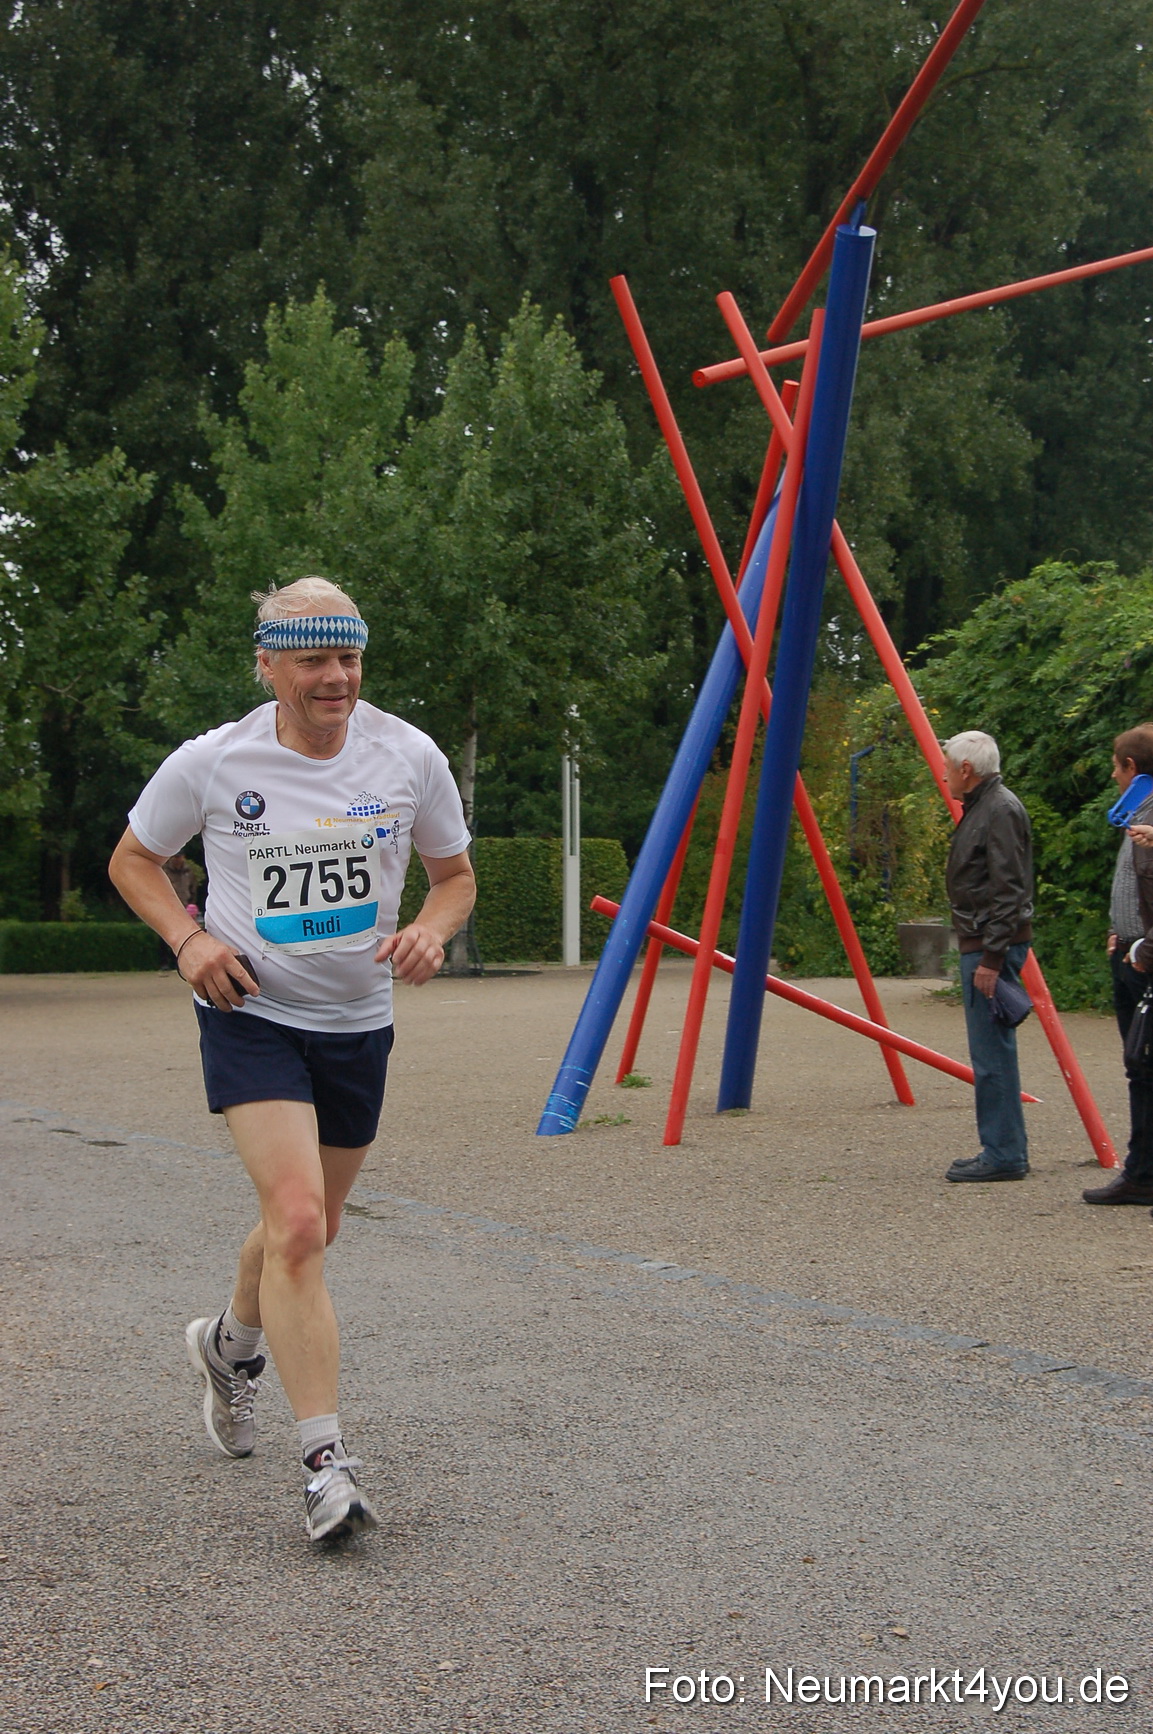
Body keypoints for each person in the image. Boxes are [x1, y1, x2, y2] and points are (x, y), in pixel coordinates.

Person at [109, 576, 475, 1542]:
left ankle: (229, 1346)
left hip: (357, 1022)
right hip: (251, 1013)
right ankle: (326, 1468)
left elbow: (454, 877)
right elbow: (133, 861)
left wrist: (433, 932)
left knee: (309, 1227)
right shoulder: (214, 761)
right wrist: (189, 942)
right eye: (312, 659)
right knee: (300, 1221)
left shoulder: (408, 755)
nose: (335, 678)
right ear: (266, 664)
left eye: (347, 657)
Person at [942, 731, 1033, 1183]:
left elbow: (1008, 888)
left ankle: (1003, 1153)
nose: (943, 774)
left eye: (947, 765)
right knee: (991, 1050)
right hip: (987, 941)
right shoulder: (990, 807)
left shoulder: (996, 810)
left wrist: (992, 960)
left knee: (991, 1052)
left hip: (988, 944)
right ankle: (1002, 1148)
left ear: (965, 770)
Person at [1083, 725, 1153, 1205]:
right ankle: (1141, 1170)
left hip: (1144, 959)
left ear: (1132, 769)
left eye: (1116, 765)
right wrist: (1120, 930)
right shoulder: (1136, 813)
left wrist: (1140, 949)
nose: (1112, 775)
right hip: (1130, 950)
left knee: (1144, 1066)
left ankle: (1142, 1172)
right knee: (1139, 1068)